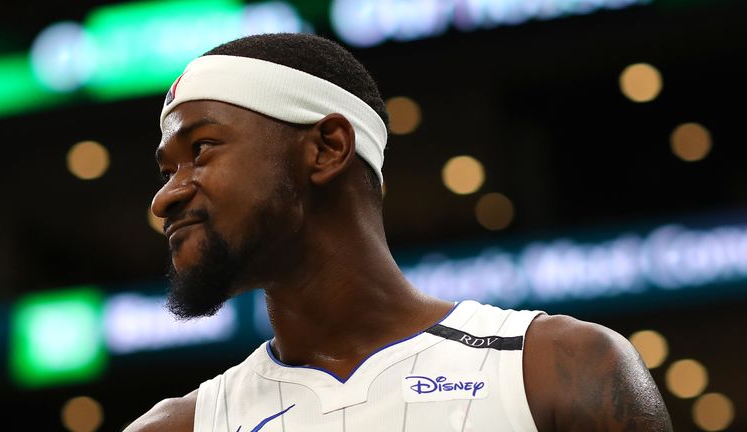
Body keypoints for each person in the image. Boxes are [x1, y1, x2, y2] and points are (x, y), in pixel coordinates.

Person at [124, 32, 673, 431]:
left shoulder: (558, 370)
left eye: (200, 150)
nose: (165, 196)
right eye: (166, 169)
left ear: (327, 148)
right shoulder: (176, 427)